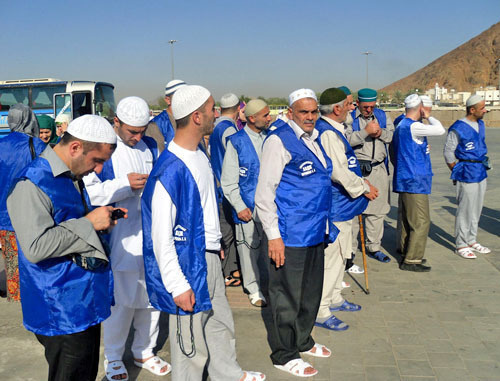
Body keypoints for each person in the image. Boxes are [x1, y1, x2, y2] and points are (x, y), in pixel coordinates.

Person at [141, 85, 265, 381]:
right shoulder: (170, 169)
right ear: (197, 117)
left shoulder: (199, 153)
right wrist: (177, 284)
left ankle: (228, 374)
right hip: (187, 265)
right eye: (211, 109)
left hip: (208, 256)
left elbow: (206, 203)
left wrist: (216, 242)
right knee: (190, 343)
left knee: (219, 323)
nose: (216, 114)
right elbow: (160, 236)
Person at [6, 115, 122, 381]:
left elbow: (68, 220)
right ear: (75, 148)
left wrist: (100, 218)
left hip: (82, 301)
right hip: (61, 310)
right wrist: (89, 224)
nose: (99, 169)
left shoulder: (70, 175)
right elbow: (36, 246)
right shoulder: (31, 183)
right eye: (98, 160)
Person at [84, 97, 170, 380]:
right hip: (119, 242)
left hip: (151, 238)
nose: (138, 136)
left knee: (150, 300)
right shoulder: (103, 152)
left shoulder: (150, 147)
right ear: (116, 123)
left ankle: (144, 351)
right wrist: (124, 185)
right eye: (132, 131)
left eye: (142, 130)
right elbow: (90, 194)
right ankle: (113, 357)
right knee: (120, 304)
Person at [255, 88, 335, 378]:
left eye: (314, 112)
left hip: (314, 231)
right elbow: (265, 193)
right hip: (290, 234)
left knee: (310, 293)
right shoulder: (278, 141)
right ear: (291, 113)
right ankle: (284, 353)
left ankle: (303, 339)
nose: (310, 117)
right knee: (286, 296)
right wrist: (274, 236)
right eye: (304, 112)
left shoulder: (315, 139)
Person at [314, 88, 378, 330]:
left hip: (344, 204)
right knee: (332, 258)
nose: (353, 107)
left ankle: (334, 298)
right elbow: (337, 171)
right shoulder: (328, 133)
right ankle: (320, 309)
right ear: (338, 108)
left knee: (342, 256)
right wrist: (363, 187)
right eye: (350, 104)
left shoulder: (336, 130)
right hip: (336, 205)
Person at [221, 99, 271, 307]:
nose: (270, 118)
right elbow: (228, 181)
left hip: (270, 207)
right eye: (266, 115)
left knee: (270, 250)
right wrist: (240, 206)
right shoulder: (236, 141)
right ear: (252, 118)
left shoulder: (272, 138)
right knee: (248, 251)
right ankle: (254, 289)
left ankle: (271, 286)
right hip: (247, 208)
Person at [393, 94, 445, 272]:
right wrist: (428, 115)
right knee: (421, 221)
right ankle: (412, 259)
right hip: (415, 181)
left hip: (404, 179)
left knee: (408, 220)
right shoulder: (414, 126)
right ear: (420, 107)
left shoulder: (400, 125)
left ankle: (405, 250)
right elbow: (440, 130)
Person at [0, 104, 46, 302]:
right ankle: (35, 296)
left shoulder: (1, 144)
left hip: (4, 213)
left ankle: (17, 296)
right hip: (32, 212)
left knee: (11, 259)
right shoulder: (37, 145)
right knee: (35, 256)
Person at [346, 88, 394, 263]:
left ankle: (373, 247)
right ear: (358, 103)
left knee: (377, 211)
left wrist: (380, 133)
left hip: (378, 169)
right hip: (357, 170)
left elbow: (392, 137)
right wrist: (365, 132)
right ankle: (349, 251)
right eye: (365, 107)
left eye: (372, 107)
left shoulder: (382, 116)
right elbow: (346, 141)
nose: (368, 110)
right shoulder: (350, 118)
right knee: (353, 213)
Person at [444, 94, 490, 259]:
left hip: (480, 171)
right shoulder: (458, 128)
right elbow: (449, 152)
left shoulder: (481, 124)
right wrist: (456, 169)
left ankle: (471, 239)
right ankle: (461, 244)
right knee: (465, 209)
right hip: (466, 171)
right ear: (472, 110)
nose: (485, 110)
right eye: (482, 108)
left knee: (476, 208)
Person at [208, 92, 241, 286]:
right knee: (228, 233)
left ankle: (227, 271)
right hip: (226, 188)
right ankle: (226, 273)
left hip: (218, 185)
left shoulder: (216, 127)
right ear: (238, 109)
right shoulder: (229, 130)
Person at [148, 79, 187, 151]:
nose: (186, 100)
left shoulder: (191, 120)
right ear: (168, 100)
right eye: (181, 97)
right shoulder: (156, 125)